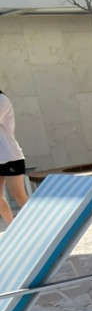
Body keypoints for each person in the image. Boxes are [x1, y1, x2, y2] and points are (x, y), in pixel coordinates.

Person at [0, 89, 28, 228]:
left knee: (19, 195)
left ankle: (37, 225)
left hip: (10, 156)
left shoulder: (2, 100)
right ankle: (13, 228)